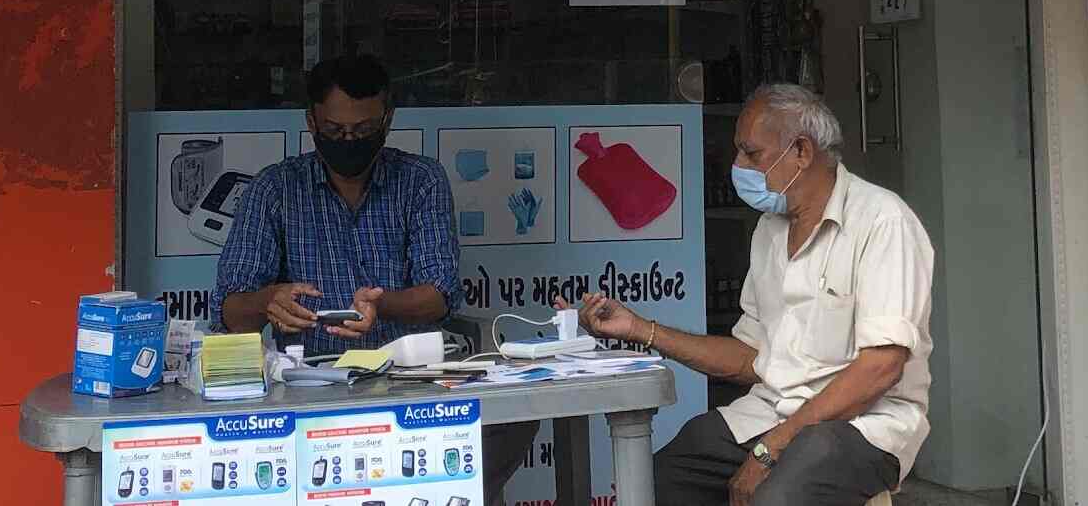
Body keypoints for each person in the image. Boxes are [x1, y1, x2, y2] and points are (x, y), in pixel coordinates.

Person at [565, 84, 934, 506]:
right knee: (660, 478)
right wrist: (639, 328)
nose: (738, 165)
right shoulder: (770, 230)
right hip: (773, 413)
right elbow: (748, 357)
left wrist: (773, 446)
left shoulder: (883, 221)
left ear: (801, 151)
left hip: (864, 425)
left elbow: (881, 368)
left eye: (751, 154)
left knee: (777, 496)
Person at [211, 53, 534, 503]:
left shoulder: (420, 181)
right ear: (311, 123)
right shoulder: (275, 189)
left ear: (387, 120)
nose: (349, 141)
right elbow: (228, 309)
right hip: (309, 391)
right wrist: (268, 300)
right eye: (335, 131)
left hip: (411, 384)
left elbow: (440, 295)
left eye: (363, 131)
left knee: (517, 420)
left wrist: (382, 306)